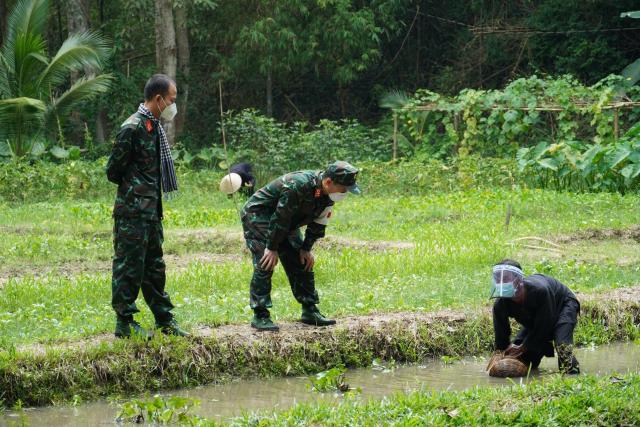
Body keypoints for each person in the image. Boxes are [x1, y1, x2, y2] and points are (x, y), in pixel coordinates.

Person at [106, 74, 189, 338]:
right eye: (172, 100)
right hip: (132, 213)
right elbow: (113, 171)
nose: (173, 105)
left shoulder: (154, 128)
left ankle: (164, 319)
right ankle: (125, 323)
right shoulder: (132, 127)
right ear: (158, 99)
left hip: (152, 212)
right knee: (129, 266)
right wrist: (135, 191)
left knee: (154, 267)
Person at [241, 161, 361, 331]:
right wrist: (272, 247)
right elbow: (281, 216)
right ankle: (260, 315)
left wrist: (306, 248)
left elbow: (319, 223)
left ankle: (310, 310)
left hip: (286, 221)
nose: (345, 193)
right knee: (266, 261)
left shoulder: (328, 195)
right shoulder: (297, 185)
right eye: (343, 189)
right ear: (328, 182)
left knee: (302, 260)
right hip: (259, 215)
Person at [490, 259, 580, 374]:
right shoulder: (500, 304)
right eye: (497, 278)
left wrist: (525, 345)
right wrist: (501, 354)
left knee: (563, 347)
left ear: (518, 280)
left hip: (563, 304)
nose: (500, 282)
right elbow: (501, 336)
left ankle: (573, 379)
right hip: (539, 317)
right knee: (519, 353)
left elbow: (545, 324)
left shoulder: (540, 291)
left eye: (505, 278)